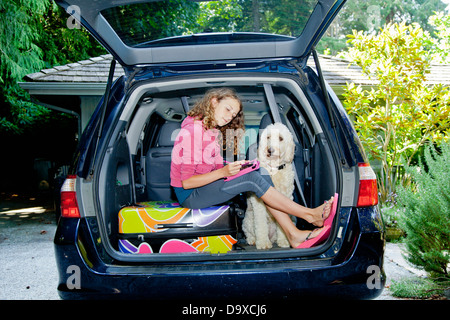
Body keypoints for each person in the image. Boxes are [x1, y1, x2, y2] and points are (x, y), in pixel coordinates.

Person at [170, 87, 335, 248]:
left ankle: (292, 233)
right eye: (227, 109)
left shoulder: (211, 131)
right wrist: (224, 172)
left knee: (258, 171)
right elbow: (187, 183)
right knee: (252, 178)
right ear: (213, 102)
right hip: (190, 195)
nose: (230, 117)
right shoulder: (193, 132)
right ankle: (310, 215)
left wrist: (237, 167)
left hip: (204, 187)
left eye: (233, 114)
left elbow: (209, 167)